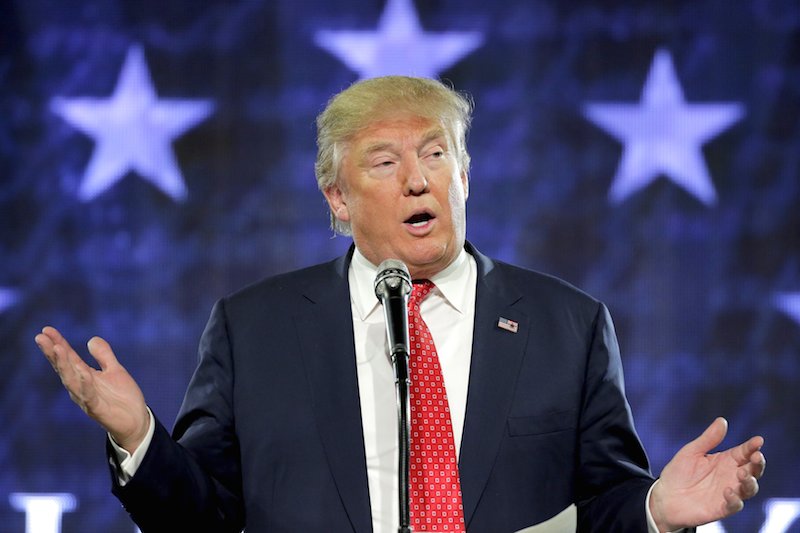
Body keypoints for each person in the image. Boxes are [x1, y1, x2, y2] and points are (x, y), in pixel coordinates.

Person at [36, 76, 765, 532]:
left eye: (437, 153)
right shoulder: (253, 329)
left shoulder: (566, 324)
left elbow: (601, 506)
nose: (419, 180)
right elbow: (204, 517)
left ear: (466, 177)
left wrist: (654, 510)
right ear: (338, 198)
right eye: (385, 162)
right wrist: (140, 439)